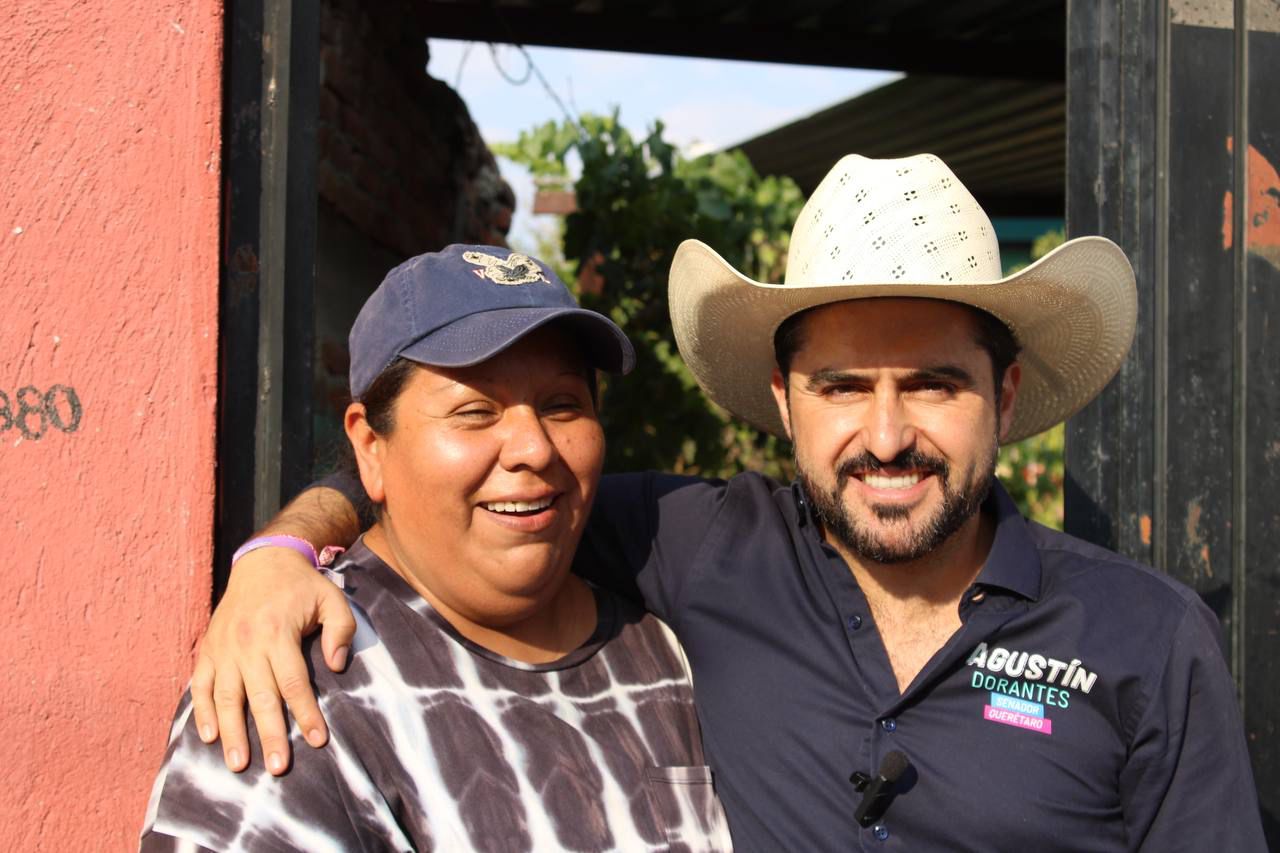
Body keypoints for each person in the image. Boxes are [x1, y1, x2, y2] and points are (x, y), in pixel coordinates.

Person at [190, 156, 1267, 851]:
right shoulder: (697, 546)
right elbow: (469, 491)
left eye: (934, 384)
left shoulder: (1145, 639)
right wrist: (281, 552)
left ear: (1008, 394)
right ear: (783, 401)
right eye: (841, 387)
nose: (886, 435)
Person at [140, 245, 732, 851]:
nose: (533, 447)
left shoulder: (670, 649)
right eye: (475, 411)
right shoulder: (295, 689)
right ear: (371, 447)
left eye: (562, 405)